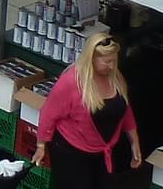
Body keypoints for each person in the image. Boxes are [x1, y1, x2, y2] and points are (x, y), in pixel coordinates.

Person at [33, 31, 143, 188]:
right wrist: (41, 146)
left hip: (103, 152)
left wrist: (134, 142)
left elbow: (125, 110)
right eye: (106, 62)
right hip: (71, 152)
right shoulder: (71, 82)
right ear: (91, 59)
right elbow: (48, 114)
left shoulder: (116, 78)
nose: (111, 66)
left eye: (114, 61)